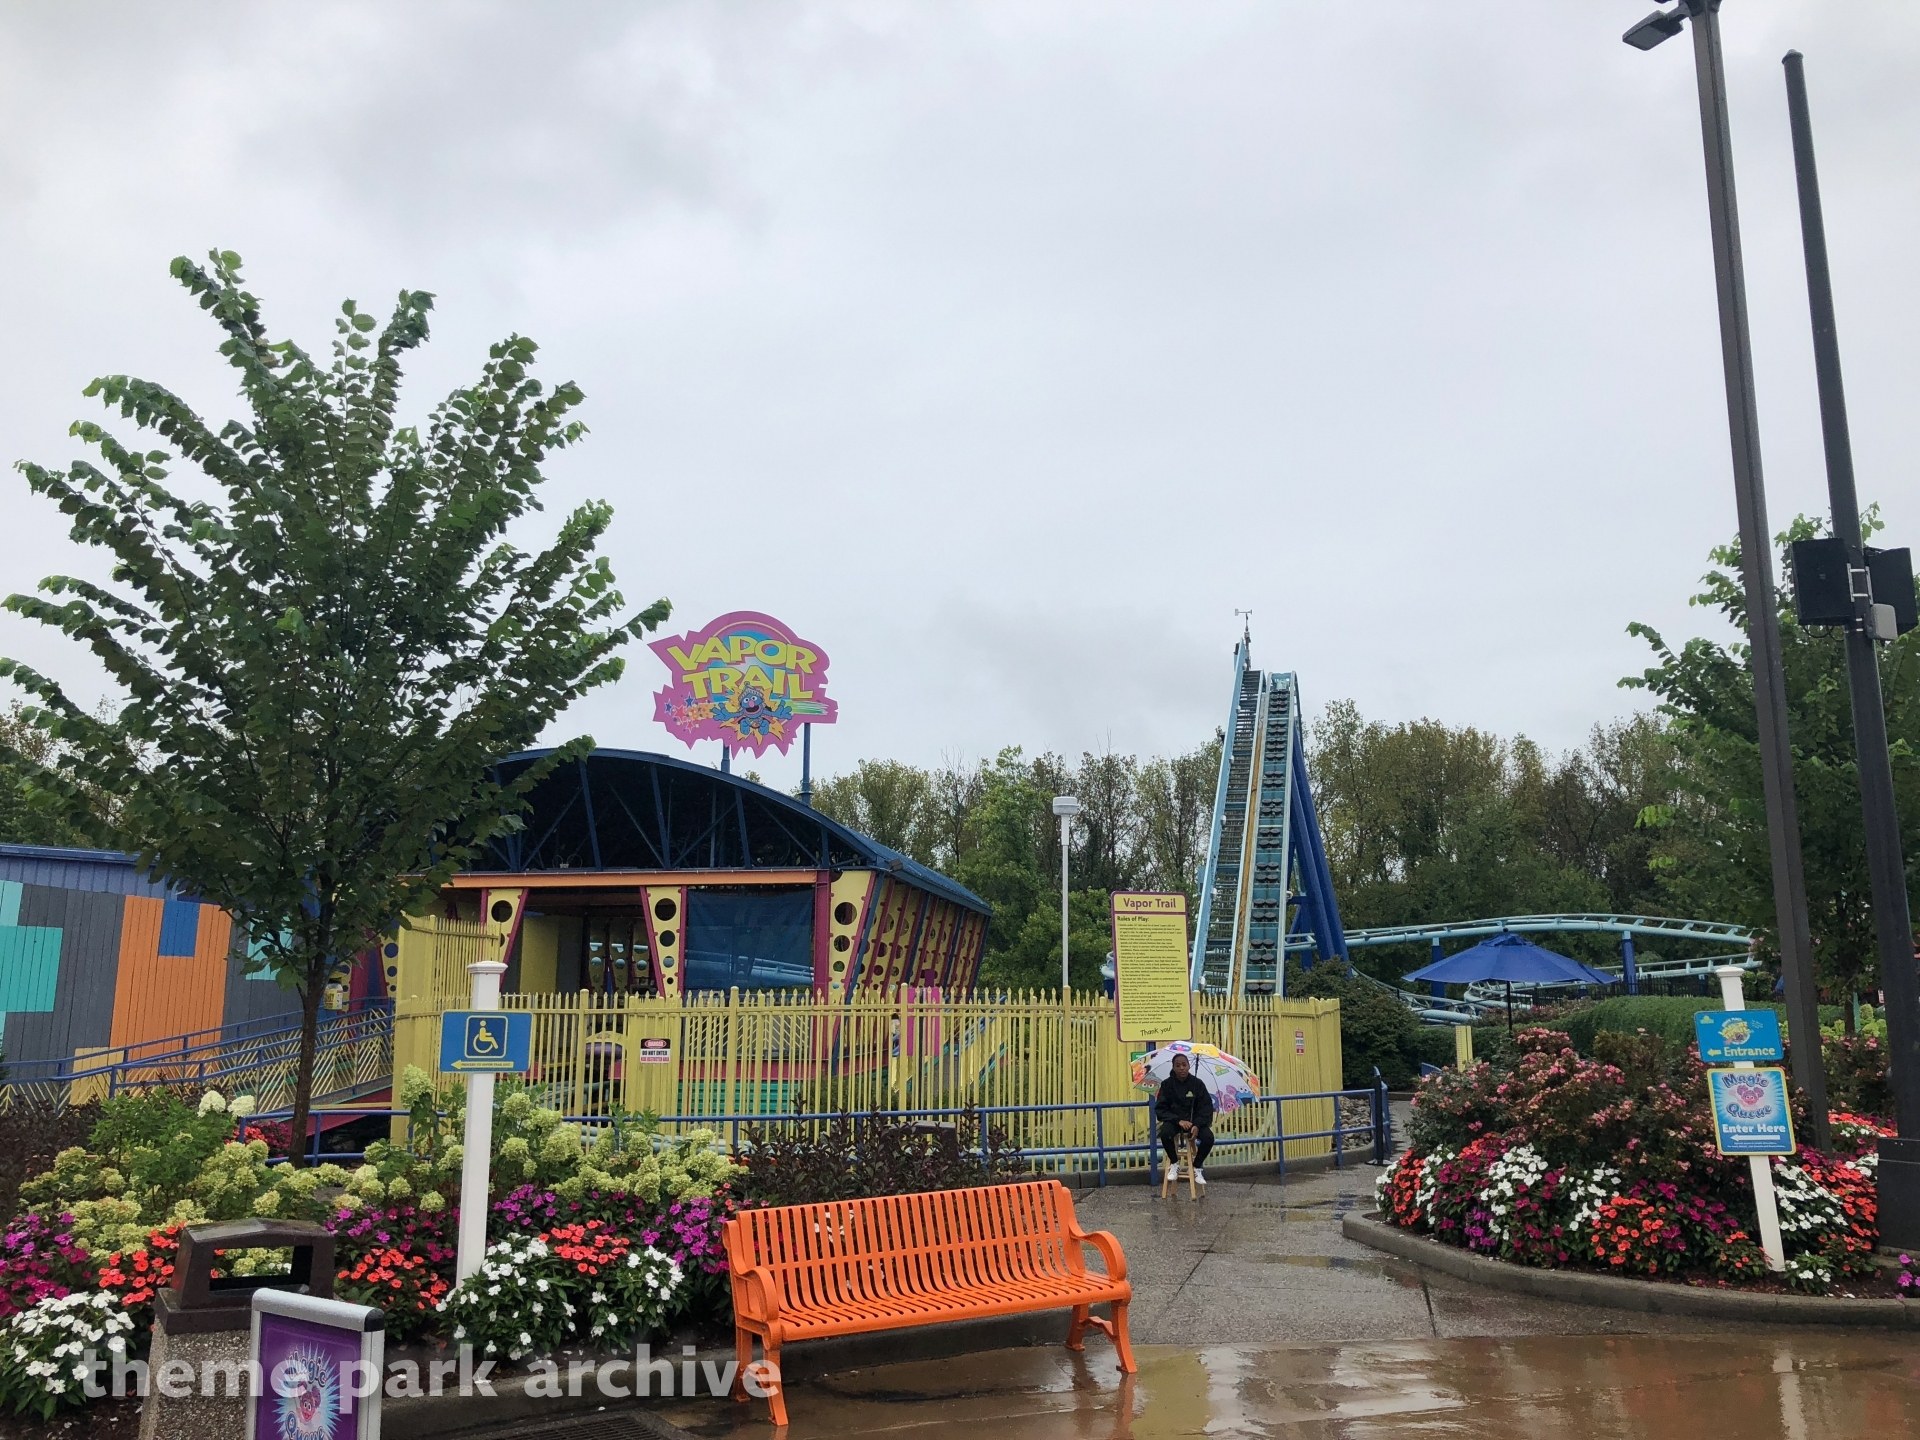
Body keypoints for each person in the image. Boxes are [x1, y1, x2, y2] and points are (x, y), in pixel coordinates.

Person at [1154, 1051, 1214, 1187]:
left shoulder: (1198, 1084)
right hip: (1175, 1121)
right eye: (1178, 1065)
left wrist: (1197, 1125)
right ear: (1173, 1067)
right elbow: (1161, 1108)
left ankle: (1196, 1167)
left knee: (1208, 1138)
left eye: (1184, 1065)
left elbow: (1206, 1108)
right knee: (1165, 1134)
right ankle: (1174, 1163)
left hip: (1194, 1122)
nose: (1181, 1068)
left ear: (1188, 1066)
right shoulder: (1167, 1085)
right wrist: (1178, 1121)